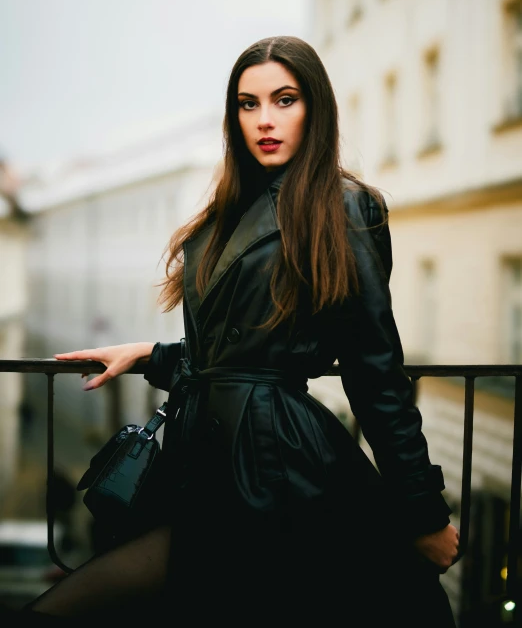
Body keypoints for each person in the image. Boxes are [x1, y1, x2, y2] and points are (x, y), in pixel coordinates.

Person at [17, 36, 459, 625]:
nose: (265, 120)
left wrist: (421, 512)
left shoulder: (346, 207)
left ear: (315, 109)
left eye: (284, 100)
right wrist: (151, 355)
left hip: (276, 466)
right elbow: (233, 351)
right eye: (248, 105)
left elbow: (374, 371)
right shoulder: (228, 207)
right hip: (206, 462)